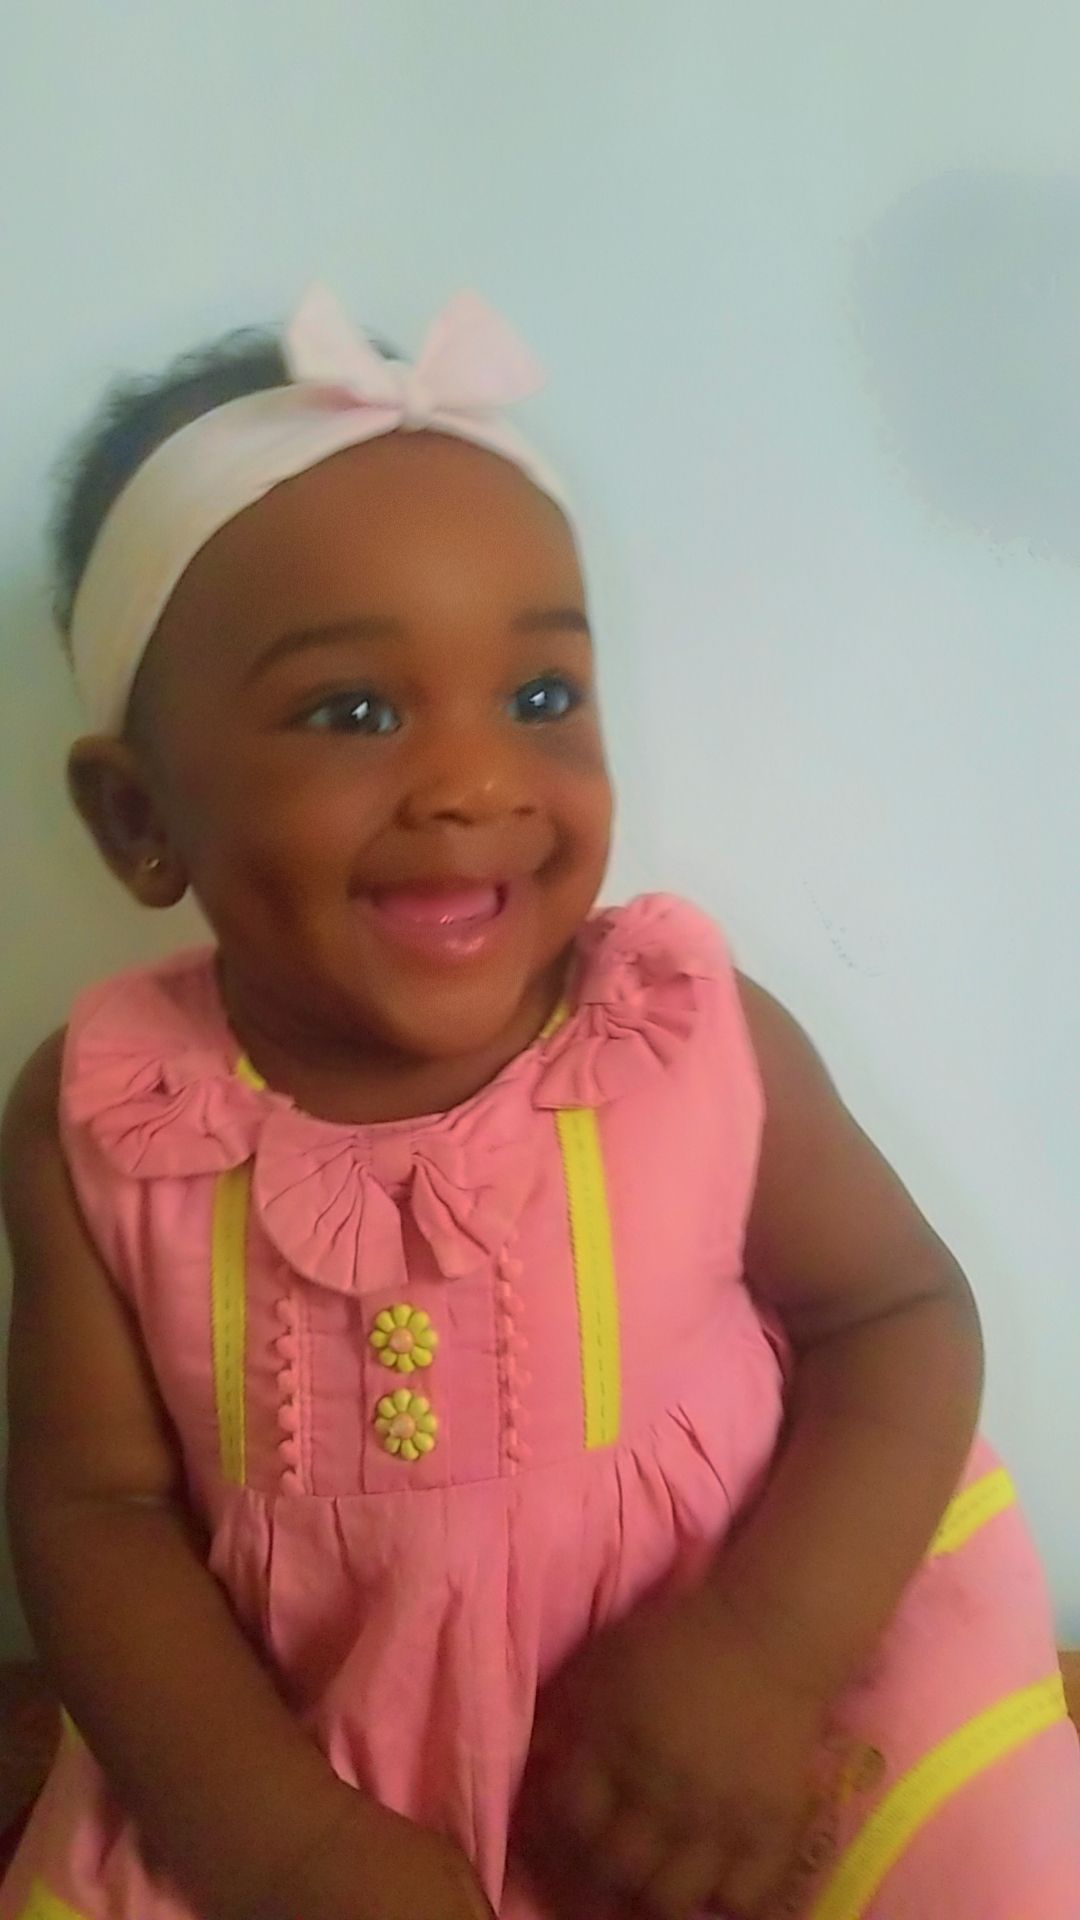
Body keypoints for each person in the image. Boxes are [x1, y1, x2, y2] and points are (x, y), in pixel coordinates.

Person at [2, 285, 1078, 1920]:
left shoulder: (686, 1038)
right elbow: (95, 1513)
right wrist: (285, 1851)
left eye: (540, 697)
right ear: (139, 817)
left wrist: (764, 1654)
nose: (476, 780)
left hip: (747, 1702)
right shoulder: (102, 1119)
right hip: (313, 1759)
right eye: (356, 711)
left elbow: (900, 1318)